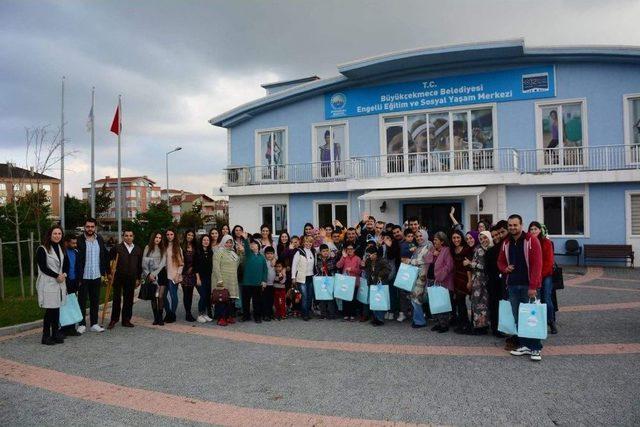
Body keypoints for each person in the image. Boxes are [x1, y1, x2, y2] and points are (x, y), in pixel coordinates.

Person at [498, 214, 544, 361]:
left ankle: (535, 348)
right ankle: (525, 345)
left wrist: (533, 286)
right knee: (519, 317)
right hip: (512, 285)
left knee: (532, 317)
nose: (512, 227)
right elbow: (500, 261)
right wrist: (505, 268)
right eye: (510, 225)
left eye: (515, 225)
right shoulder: (506, 242)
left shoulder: (531, 240)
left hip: (527, 285)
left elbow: (537, 265)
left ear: (521, 225)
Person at [76, 217, 108, 333]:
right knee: (82, 301)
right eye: (88, 226)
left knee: (95, 300)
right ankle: (82, 324)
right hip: (83, 276)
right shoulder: (79, 240)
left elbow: (104, 255)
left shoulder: (99, 238)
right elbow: (77, 259)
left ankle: (94, 323)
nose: (90, 229)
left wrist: (106, 271)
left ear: (95, 227)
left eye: (92, 227)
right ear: (84, 227)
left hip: (96, 275)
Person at [36, 226, 67, 345]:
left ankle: (55, 333)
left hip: (59, 282)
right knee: (50, 310)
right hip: (48, 282)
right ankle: (45, 336)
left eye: (59, 233)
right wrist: (57, 276)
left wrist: (64, 274)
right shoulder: (42, 249)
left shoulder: (61, 248)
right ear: (50, 235)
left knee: (57, 308)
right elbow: (43, 267)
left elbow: (66, 264)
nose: (57, 235)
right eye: (55, 233)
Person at [107, 229, 143, 329]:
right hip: (118, 277)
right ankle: (114, 319)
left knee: (129, 299)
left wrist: (138, 278)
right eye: (126, 235)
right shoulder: (117, 248)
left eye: (130, 235)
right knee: (117, 298)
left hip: (131, 277)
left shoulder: (137, 249)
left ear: (133, 237)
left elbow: (139, 265)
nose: (128, 237)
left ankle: (126, 320)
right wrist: (109, 273)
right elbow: (108, 260)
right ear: (123, 237)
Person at [529, 221, 557, 334]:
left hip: (545, 275)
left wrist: (540, 275)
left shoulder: (546, 242)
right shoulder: (528, 242)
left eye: (535, 229)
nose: (533, 231)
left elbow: (549, 262)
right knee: (536, 299)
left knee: (546, 298)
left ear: (540, 230)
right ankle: (538, 323)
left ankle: (551, 321)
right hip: (533, 275)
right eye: (531, 229)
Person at [422, 231, 454, 333]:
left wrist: (440, 276)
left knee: (442, 303)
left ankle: (444, 325)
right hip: (431, 280)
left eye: (436, 240)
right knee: (434, 303)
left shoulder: (446, 250)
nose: (433, 241)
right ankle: (437, 323)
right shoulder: (433, 249)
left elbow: (449, 266)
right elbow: (426, 259)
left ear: (442, 241)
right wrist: (433, 253)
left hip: (442, 281)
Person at [463, 230, 492, 335]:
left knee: (481, 304)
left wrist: (471, 263)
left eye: (485, 238)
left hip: (482, 281)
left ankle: (481, 327)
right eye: (481, 239)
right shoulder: (479, 249)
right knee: (477, 304)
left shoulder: (485, 249)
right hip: (478, 281)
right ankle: (478, 326)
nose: (483, 240)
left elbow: (484, 267)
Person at [212, 235, 243, 326]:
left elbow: (237, 264)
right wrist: (219, 279)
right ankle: (221, 318)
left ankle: (229, 316)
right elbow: (216, 267)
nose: (229, 244)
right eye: (227, 242)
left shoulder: (232, 253)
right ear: (223, 242)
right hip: (222, 280)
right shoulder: (219, 252)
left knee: (230, 299)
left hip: (232, 280)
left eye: (230, 242)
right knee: (222, 299)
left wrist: (240, 253)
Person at [409, 229, 433, 328]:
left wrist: (411, 261)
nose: (419, 238)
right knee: (415, 298)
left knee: (416, 298)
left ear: (425, 235)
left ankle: (420, 321)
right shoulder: (419, 247)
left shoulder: (429, 246)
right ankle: (417, 319)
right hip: (417, 276)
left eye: (420, 236)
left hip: (423, 277)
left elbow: (426, 260)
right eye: (417, 236)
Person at [363, 245, 392, 326]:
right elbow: (367, 270)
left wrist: (379, 275)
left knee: (380, 300)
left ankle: (380, 319)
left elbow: (388, 269)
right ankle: (375, 318)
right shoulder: (368, 261)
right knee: (374, 300)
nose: (369, 256)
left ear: (375, 253)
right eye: (368, 255)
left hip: (381, 283)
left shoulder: (382, 260)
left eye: (370, 254)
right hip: (372, 283)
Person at [241, 238, 268, 323]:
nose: (252, 245)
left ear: (259, 246)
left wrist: (264, 281)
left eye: (254, 244)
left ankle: (257, 317)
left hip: (257, 283)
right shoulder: (248, 254)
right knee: (245, 301)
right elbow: (246, 248)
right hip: (246, 283)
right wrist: (245, 239)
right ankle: (246, 316)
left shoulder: (262, 258)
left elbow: (265, 270)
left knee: (257, 301)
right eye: (251, 244)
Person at [142, 231, 167, 326]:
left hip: (161, 275)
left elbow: (162, 264)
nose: (158, 239)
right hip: (150, 275)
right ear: (153, 237)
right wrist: (149, 274)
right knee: (153, 297)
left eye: (160, 238)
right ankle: (156, 318)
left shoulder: (163, 249)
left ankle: (160, 317)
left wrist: (155, 274)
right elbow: (144, 263)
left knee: (160, 297)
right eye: (156, 237)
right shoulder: (147, 248)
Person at [450, 229, 472, 334]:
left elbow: (469, 267)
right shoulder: (452, 249)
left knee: (461, 302)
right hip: (456, 278)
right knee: (459, 302)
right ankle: (462, 323)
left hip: (464, 278)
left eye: (458, 237)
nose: (456, 240)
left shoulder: (466, 249)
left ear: (461, 238)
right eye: (454, 238)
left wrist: (469, 281)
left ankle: (465, 325)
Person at [486, 224, 506, 337]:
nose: (495, 237)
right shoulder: (490, 251)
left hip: (504, 281)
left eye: (497, 234)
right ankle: (495, 328)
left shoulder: (505, 247)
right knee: (494, 305)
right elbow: (487, 269)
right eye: (493, 236)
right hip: (494, 282)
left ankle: (504, 326)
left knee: (504, 305)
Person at [291, 235, 316, 321]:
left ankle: (308, 312)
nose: (308, 243)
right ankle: (304, 314)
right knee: (304, 296)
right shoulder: (299, 252)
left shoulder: (313, 251)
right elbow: (294, 265)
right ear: (303, 242)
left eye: (310, 242)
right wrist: (293, 277)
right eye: (306, 242)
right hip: (302, 278)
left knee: (310, 296)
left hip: (311, 277)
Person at [336, 242, 361, 321]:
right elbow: (338, 265)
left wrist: (352, 269)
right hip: (345, 282)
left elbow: (360, 271)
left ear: (354, 250)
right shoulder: (344, 257)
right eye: (348, 249)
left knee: (353, 299)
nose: (350, 250)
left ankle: (352, 314)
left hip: (354, 282)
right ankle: (346, 314)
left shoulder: (357, 258)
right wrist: (343, 257)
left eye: (351, 249)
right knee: (345, 298)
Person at [61, 234, 81, 337]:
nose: (75, 245)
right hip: (65, 282)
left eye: (75, 243)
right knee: (64, 306)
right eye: (72, 243)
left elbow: (78, 266)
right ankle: (63, 328)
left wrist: (79, 280)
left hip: (74, 282)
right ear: (67, 242)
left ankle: (72, 328)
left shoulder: (76, 252)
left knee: (72, 304)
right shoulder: (62, 253)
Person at [163, 228, 183, 323]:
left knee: (173, 295)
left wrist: (178, 275)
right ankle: (168, 313)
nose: (169, 236)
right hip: (163, 275)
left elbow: (181, 264)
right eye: (168, 234)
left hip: (173, 275)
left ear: (174, 236)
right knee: (163, 296)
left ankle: (172, 314)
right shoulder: (163, 246)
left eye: (171, 234)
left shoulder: (177, 248)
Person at [180, 230, 199, 322]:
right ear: (186, 235)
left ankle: (189, 312)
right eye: (189, 235)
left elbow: (197, 259)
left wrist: (192, 268)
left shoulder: (195, 246)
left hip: (192, 272)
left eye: (192, 235)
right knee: (185, 293)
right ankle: (187, 313)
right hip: (183, 273)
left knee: (190, 294)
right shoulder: (181, 246)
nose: (190, 236)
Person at [315, 243, 337, 319]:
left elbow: (333, 267)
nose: (326, 252)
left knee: (330, 297)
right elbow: (316, 269)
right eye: (324, 251)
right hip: (321, 280)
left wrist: (326, 266)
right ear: (320, 252)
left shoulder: (331, 259)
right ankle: (323, 314)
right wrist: (320, 269)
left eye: (327, 251)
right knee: (322, 297)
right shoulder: (318, 260)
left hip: (330, 280)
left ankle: (332, 314)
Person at [196, 234, 214, 323]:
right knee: (202, 295)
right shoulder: (198, 252)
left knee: (207, 296)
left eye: (207, 240)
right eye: (204, 240)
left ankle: (205, 314)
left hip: (209, 277)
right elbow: (196, 267)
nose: (206, 241)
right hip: (200, 278)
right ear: (201, 241)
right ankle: (199, 314)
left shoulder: (211, 252)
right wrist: (198, 279)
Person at [262, 246, 277, 321]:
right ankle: (265, 314)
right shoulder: (263, 262)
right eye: (267, 254)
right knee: (265, 300)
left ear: (274, 254)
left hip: (272, 285)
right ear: (265, 254)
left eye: (271, 254)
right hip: (265, 285)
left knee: (271, 300)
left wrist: (275, 259)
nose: (269, 255)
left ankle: (270, 313)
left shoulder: (275, 262)